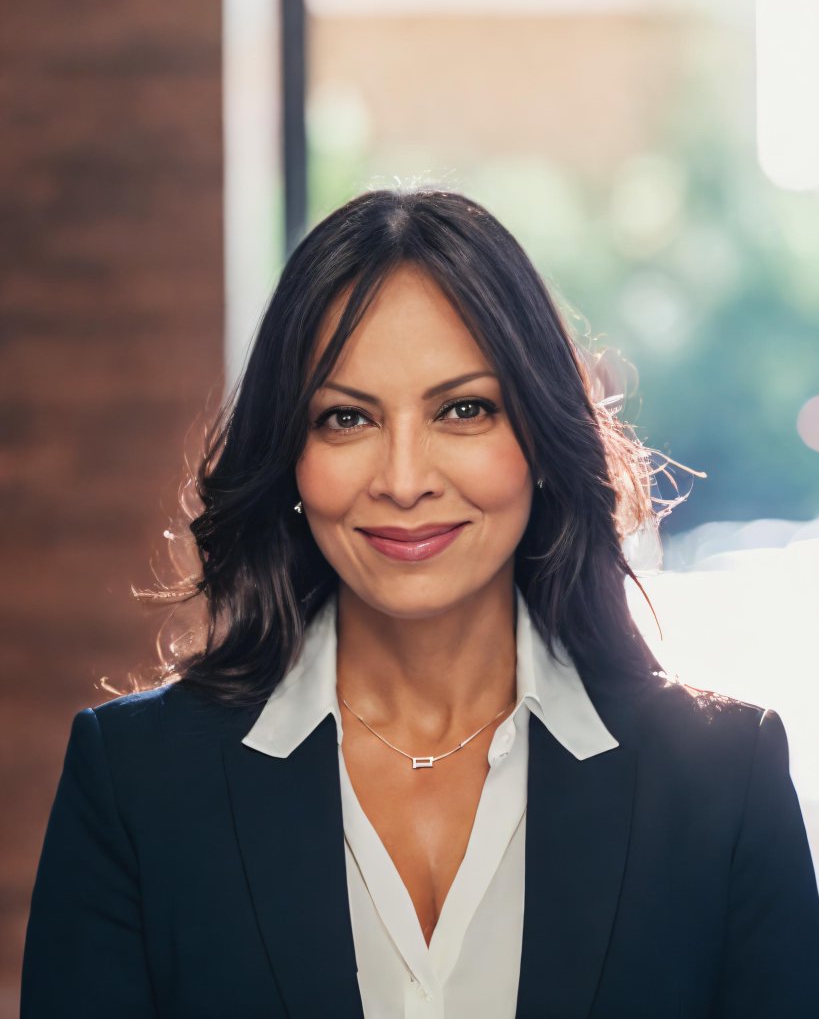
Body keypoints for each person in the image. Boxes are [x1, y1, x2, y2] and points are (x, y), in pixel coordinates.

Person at [21, 187, 819, 1018]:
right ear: (289, 454)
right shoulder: (137, 782)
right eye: (345, 418)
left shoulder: (723, 783)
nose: (403, 480)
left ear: (540, 441)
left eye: (463, 409)